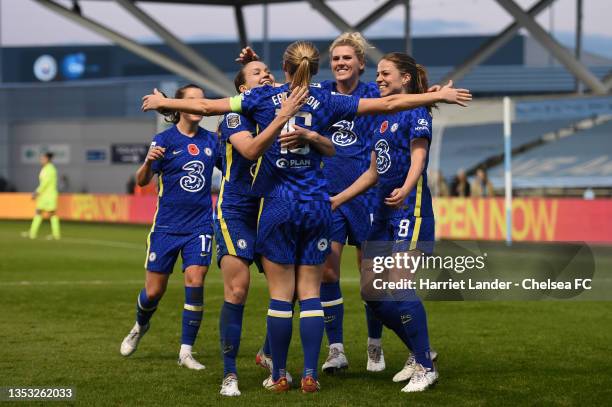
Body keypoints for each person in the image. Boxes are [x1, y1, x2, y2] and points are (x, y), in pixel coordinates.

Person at [141, 41, 471, 393]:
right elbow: (389, 102)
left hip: (279, 204)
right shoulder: (326, 98)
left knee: (282, 295)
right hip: (317, 203)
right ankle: (313, 373)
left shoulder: (262, 99)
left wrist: (164, 103)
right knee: (314, 292)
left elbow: (206, 106)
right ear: (316, 70)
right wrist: (435, 97)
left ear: (284, 69)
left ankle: (280, 373)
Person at [330, 52, 443, 392]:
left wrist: (406, 189)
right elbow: (372, 172)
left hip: (410, 210)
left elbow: (419, 157)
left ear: (405, 79)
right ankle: (419, 352)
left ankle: (425, 366)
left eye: (385, 73)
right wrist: (337, 199)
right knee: (372, 294)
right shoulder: (377, 117)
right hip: (381, 214)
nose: (378, 79)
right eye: (377, 74)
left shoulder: (416, 111)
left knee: (398, 282)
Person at [216, 61, 324, 396]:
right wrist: (280, 116)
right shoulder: (234, 118)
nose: (265, 76)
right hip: (236, 211)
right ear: (243, 90)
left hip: (270, 209)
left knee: (290, 290)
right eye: (255, 74)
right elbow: (250, 149)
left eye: (267, 71)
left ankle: (268, 355)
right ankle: (229, 374)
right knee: (237, 290)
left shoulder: (276, 110)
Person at [119, 84, 219, 372]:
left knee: (195, 281)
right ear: (179, 106)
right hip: (166, 227)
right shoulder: (164, 139)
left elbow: (233, 169)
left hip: (200, 225)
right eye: (193, 99)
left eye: (202, 99)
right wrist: (148, 162)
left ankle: (186, 351)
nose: (200, 103)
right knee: (153, 292)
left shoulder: (212, 141)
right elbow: (141, 181)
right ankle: (140, 325)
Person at [26, 152, 60, 240]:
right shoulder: (45, 169)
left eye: (43, 158)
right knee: (39, 212)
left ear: (47, 159)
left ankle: (56, 234)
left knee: (51, 213)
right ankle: (32, 232)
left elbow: (45, 183)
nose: (41, 160)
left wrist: (36, 192)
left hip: (49, 195)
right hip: (44, 195)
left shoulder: (50, 169)